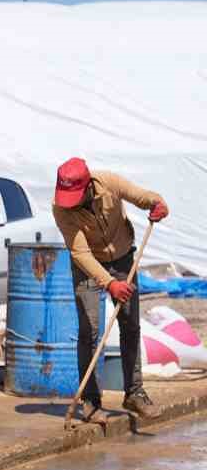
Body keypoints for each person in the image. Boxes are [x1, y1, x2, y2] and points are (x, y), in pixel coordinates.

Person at [50, 157, 167, 423]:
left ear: (88, 184)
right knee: (90, 332)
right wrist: (110, 283)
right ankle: (91, 401)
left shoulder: (110, 183)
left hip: (124, 259)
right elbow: (80, 253)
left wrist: (157, 203)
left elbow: (142, 197)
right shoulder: (60, 209)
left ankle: (134, 393)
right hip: (88, 267)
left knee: (130, 325)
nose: (71, 202)